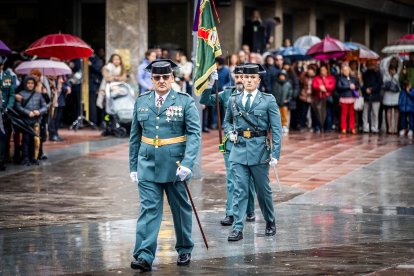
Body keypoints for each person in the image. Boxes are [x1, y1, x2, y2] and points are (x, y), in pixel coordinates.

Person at [129, 59, 201, 271]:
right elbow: (135, 136)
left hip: (176, 165)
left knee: (180, 209)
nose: (161, 81)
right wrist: (133, 166)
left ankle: (185, 248)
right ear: (151, 80)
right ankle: (144, 255)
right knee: (149, 210)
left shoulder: (185, 101)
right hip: (147, 164)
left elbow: (194, 134)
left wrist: (188, 164)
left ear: (172, 78)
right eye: (157, 78)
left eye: (165, 77)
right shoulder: (141, 102)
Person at [224, 63, 282, 241]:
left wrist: (275, 153)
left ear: (258, 80)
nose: (248, 80)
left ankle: (270, 221)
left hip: (259, 151)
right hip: (239, 149)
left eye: (252, 78)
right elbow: (227, 121)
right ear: (242, 79)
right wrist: (229, 133)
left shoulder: (267, 100)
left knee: (262, 190)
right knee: (240, 190)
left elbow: (277, 128)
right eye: (246, 77)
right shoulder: (234, 99)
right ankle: (237, 228)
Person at [200, 66, 256, 226]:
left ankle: (250, 209)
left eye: (242, 76)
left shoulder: (255, 95)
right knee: (232, 178)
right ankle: (230, 213)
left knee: (249, 178)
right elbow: (205, 101)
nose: (239, 79)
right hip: (231, 142)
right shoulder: (226, 94)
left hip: (250, 143)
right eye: (236, 76)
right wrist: (210, 84)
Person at [14, 76, 47, 166]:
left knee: (34, 140)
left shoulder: (38, 95)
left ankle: (33, 157)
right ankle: (25, 158)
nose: (30, 85)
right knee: (25, 140)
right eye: (28, 83)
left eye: (32, 83)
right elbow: (17, 107)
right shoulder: (21, 94)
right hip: (25, 122)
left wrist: (39, 111)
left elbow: (45, 107)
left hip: (36, 121)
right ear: (25, 84)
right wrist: (28, 113)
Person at [311, 64, 336, 132]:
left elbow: (332, 86)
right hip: (319, 99)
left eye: (324, 70)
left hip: (327, 98)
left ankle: (328, 127)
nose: (322, 71)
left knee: (328, 113)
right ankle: (318, 127)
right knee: (318, 113)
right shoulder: (316, 78)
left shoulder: (330, 78)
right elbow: (314, 86)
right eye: (321, 70)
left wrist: (325, 87)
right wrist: (319, 87)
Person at [381, 56, 402, 134]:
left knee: (396, 111)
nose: (393, 62)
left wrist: (395, 77)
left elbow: (400, 83)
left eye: (395, 61)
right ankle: (389, 127)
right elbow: (384, 83)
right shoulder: (386, 74)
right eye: (392, 61)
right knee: (389, 110)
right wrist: (390, 76)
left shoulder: (399, 73)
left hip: (396, 95)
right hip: (388, 95)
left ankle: (396, 127)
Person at [336, 64, 360, 134]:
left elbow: (357, 86)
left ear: (349, 71)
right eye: (344, 70)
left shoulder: (353, 78)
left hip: (352, 98)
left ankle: (352, 128)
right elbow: (339, 87)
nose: (346, 71)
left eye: (347, 70)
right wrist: (348, 86)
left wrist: (355, 85)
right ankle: (344, 127)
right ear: (342, 71)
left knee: (352, 114)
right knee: (344, 114)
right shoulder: (340, 78)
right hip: (344, 98)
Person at [49, 75, 71, 141]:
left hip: (60, 100)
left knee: (58, 118)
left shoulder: (62, 76)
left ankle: (56, 133)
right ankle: (52, 134)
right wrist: (63, 87)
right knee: (53, 118)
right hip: (53, 101)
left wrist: (68, 87)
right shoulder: (51, 78)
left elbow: (67, 83)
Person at [362, 61, 382, 133]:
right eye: (369, 64)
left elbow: (379, 84)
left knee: (375, 113)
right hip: (366, 96)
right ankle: (365, 127)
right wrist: (365, 89)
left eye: (372, 64)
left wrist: (372, 89)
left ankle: (375, 127)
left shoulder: (378, 73)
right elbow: (362, 84)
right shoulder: (364, 74)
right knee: (365, 112)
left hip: (375, 96)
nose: (371, 66)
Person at [0, 74, 15, 170]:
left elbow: (11, 94)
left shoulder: (7, 77)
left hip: (4, 113)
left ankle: (1, 160)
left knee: (3, 138)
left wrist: (8, 107)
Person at [271, 69, 292, 134]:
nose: (282, 77)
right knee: (277, 115)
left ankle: (284, 126)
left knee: (284, 114)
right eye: (281, 75)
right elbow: (273, 92)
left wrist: (288, 100)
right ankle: (276, 127)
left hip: (284, 103)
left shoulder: (288, 84)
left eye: (283, 76)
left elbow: (290, 93)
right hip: (277, 103)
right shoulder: (275, 84)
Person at [298, 64, 317, 130]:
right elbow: (300, 80)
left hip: (313, 97)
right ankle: (303, 125)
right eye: (309, 70)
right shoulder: (304, 76)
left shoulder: (315, 78)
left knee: (313, 112)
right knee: (304, 112)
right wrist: (304, 72)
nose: (310, 72)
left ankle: (314, 126)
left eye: (312, 71)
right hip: (304, 96)